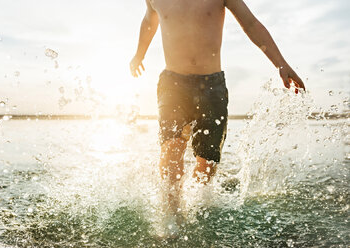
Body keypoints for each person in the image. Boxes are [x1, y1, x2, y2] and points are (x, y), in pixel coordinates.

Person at [130, 0, 306, 229]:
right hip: (173, 85)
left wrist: (280, 63)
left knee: (207, 161)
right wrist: (138, 55)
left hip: (212, 87)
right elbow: (148, 20)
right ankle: (173, 217)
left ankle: (197, 205)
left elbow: (251, 24)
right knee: (172, 150)